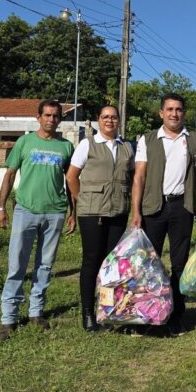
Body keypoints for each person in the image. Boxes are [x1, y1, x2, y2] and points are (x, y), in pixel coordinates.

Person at [0, 100, 75, 341]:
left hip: (55, 212)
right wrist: (1, 207)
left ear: (60, 119)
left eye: (55, 116)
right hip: (26, 211)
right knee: (16, 265)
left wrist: (73, 212)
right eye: (47, 115)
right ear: (38, 117)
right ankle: (9, 317)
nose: (51, 119)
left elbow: (71, 181)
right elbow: (9, 175)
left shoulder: (66, 147)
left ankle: (36, 312)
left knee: (45, 265)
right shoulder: (25, 142)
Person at [131, 93, 196, 336]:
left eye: (179, 109)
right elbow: (139, 176)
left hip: (182, 207)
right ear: (161, 113)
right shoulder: (148, 139)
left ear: (184, 113)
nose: (174, 113)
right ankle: (147, 315)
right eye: (170, 109)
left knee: (179, 263)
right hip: (153, 207)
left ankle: (176, 316)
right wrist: (136, 211)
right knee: (148, 263)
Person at [66, 105, 134, 332]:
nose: (109, 120)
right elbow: (71, 176)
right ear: (98, 120)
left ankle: (106, 311)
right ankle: (87, 313)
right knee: (91, 261)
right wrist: (83, 199)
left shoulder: (127, 147)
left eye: (114, 117)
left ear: (119, 120)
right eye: (105, 117)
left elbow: (132, 177)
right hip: (91, 213)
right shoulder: (88, 144)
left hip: (118, 211)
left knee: (111, 264)